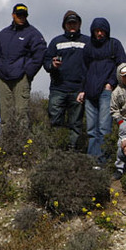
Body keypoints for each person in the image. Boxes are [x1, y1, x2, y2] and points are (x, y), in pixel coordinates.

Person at [78, 17, 126, 164]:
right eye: (96, 31)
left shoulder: (114, 44)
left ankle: (103, 162)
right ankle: (91, 162)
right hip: (89, 93)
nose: (99, 34)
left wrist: (110, 83)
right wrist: (82, 90)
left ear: (107, 31)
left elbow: (122, 65)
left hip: (106, 92)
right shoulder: (88, 47)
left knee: (104, 128)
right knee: (92, 130)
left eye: (102, 31)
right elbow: (83, 70)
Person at [0, 3, 45, 130]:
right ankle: (5, 147)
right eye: (19, 15)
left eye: (24, 15)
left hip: (21, 78)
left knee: (21, 114)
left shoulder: (33, 33)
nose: (21, 17)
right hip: (3, 78)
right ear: (13, 15)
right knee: (5, 116)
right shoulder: (3, 34)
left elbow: (40, 53)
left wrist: (27, 73)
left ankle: (21, 148)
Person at [43, 10, 88, 151]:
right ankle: (57, 147)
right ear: (64, 25)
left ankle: (72, 149)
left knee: (76, 122)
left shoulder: (87, 42)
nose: (72, 25)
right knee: (55, 119)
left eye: (75, 22)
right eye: (69, 23)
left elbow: (92, 63)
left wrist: (84, 88)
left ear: (79, 24)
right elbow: (46, 61)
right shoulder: (56, 41)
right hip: (58, 88)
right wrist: (52, 65)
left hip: (78, 89)